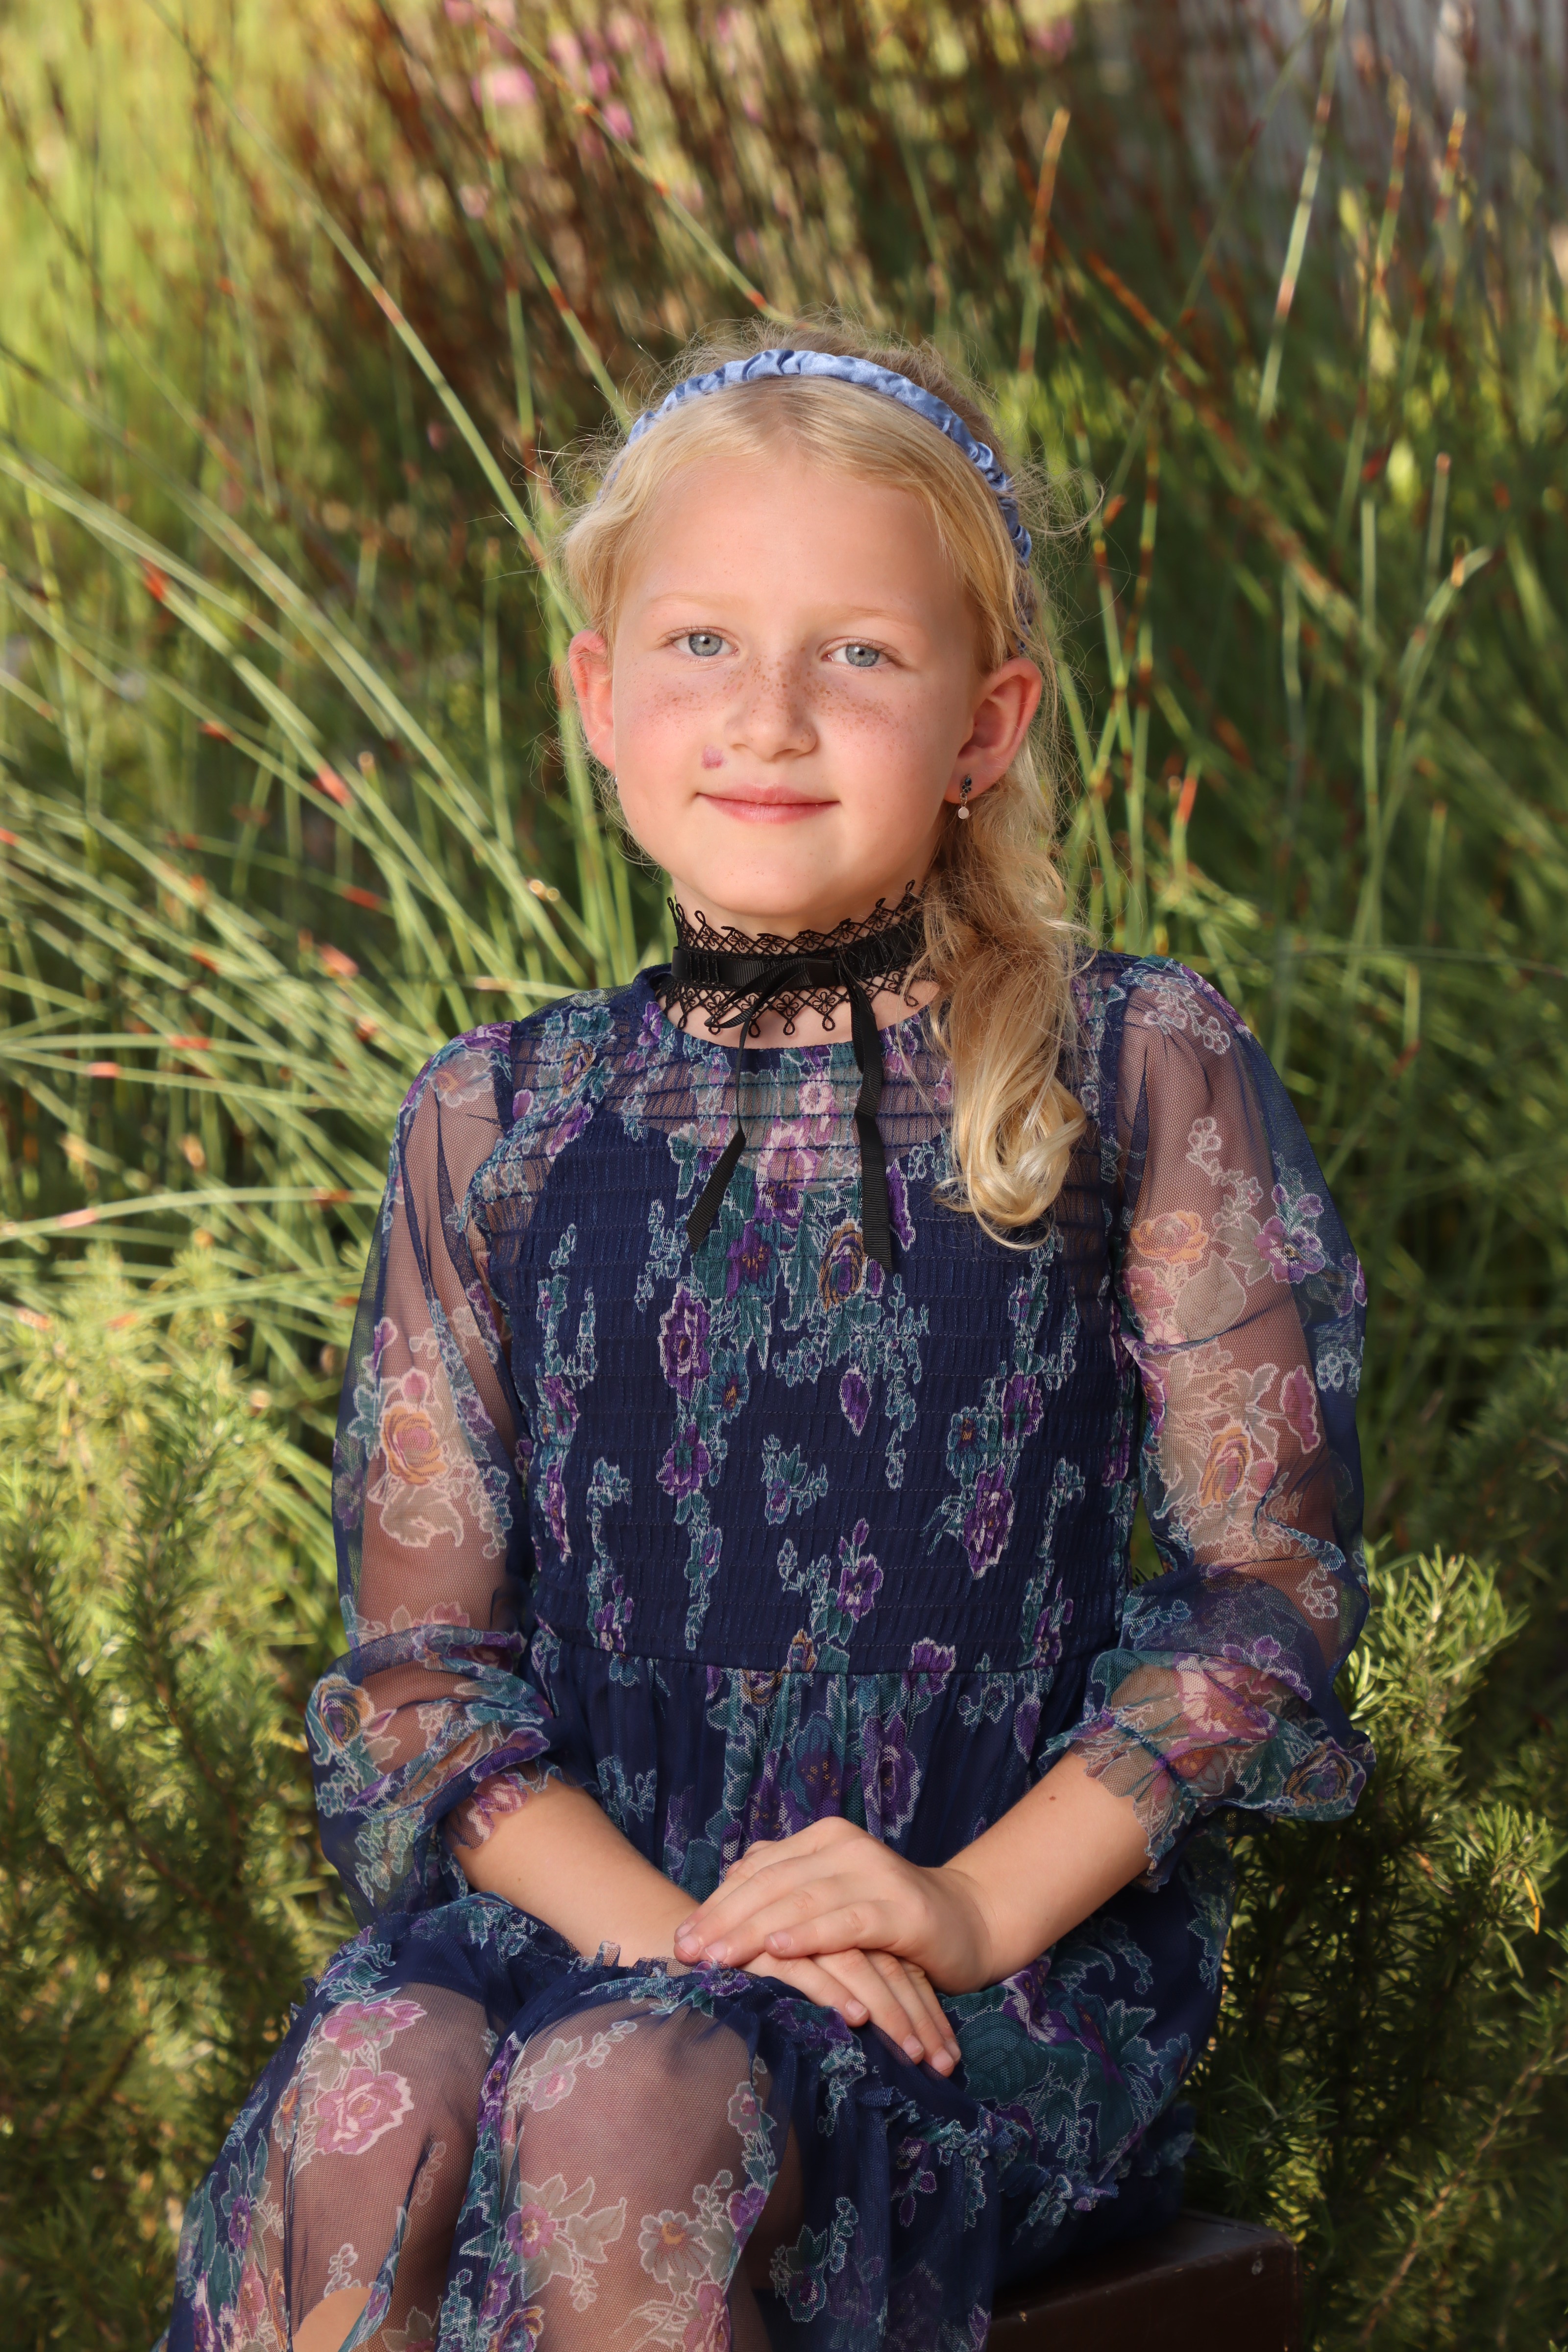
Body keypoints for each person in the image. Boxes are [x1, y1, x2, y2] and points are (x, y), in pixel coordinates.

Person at [169, 323, 1372, 2352]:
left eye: (859, 656)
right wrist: (686, 1942)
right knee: (382, 2083)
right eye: (703, 644)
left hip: (978, 1977)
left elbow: (1261, 1593)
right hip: (593, 1917)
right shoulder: (498, 1120)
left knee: (624, 2105)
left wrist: (963, 1906)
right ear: (597, 697)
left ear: (984, 722)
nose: (768, 716)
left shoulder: (1125, 1069)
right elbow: (423, 1680)